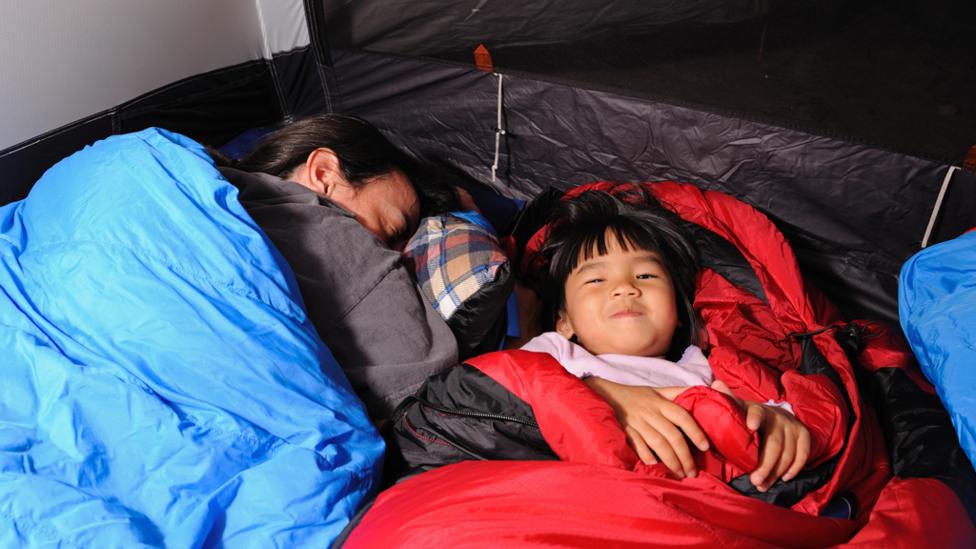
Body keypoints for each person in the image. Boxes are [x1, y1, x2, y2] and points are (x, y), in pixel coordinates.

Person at [521, 189, 811, 492]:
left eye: (646, 276)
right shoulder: (555, 351)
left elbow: (757, 408)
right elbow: (508, 383)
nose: (625, 288)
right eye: (596, 280)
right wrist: (605, 394)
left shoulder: (702, 369)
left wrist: (778, 419)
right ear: (564, 322)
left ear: (679, 313)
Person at [209, 113, 461, 419]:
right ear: (325, 174)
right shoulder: (335, 239)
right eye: (391, 231)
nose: (400, 257)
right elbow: (438, 409)